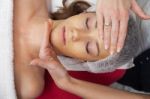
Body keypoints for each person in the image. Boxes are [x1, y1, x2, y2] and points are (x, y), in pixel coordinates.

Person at [13, 0, 150, 99]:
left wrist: (67, 83)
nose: (76, 34)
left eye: (89, 47)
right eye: (88, 23)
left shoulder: (27, 85)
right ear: (84, 13)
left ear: (83, 61)